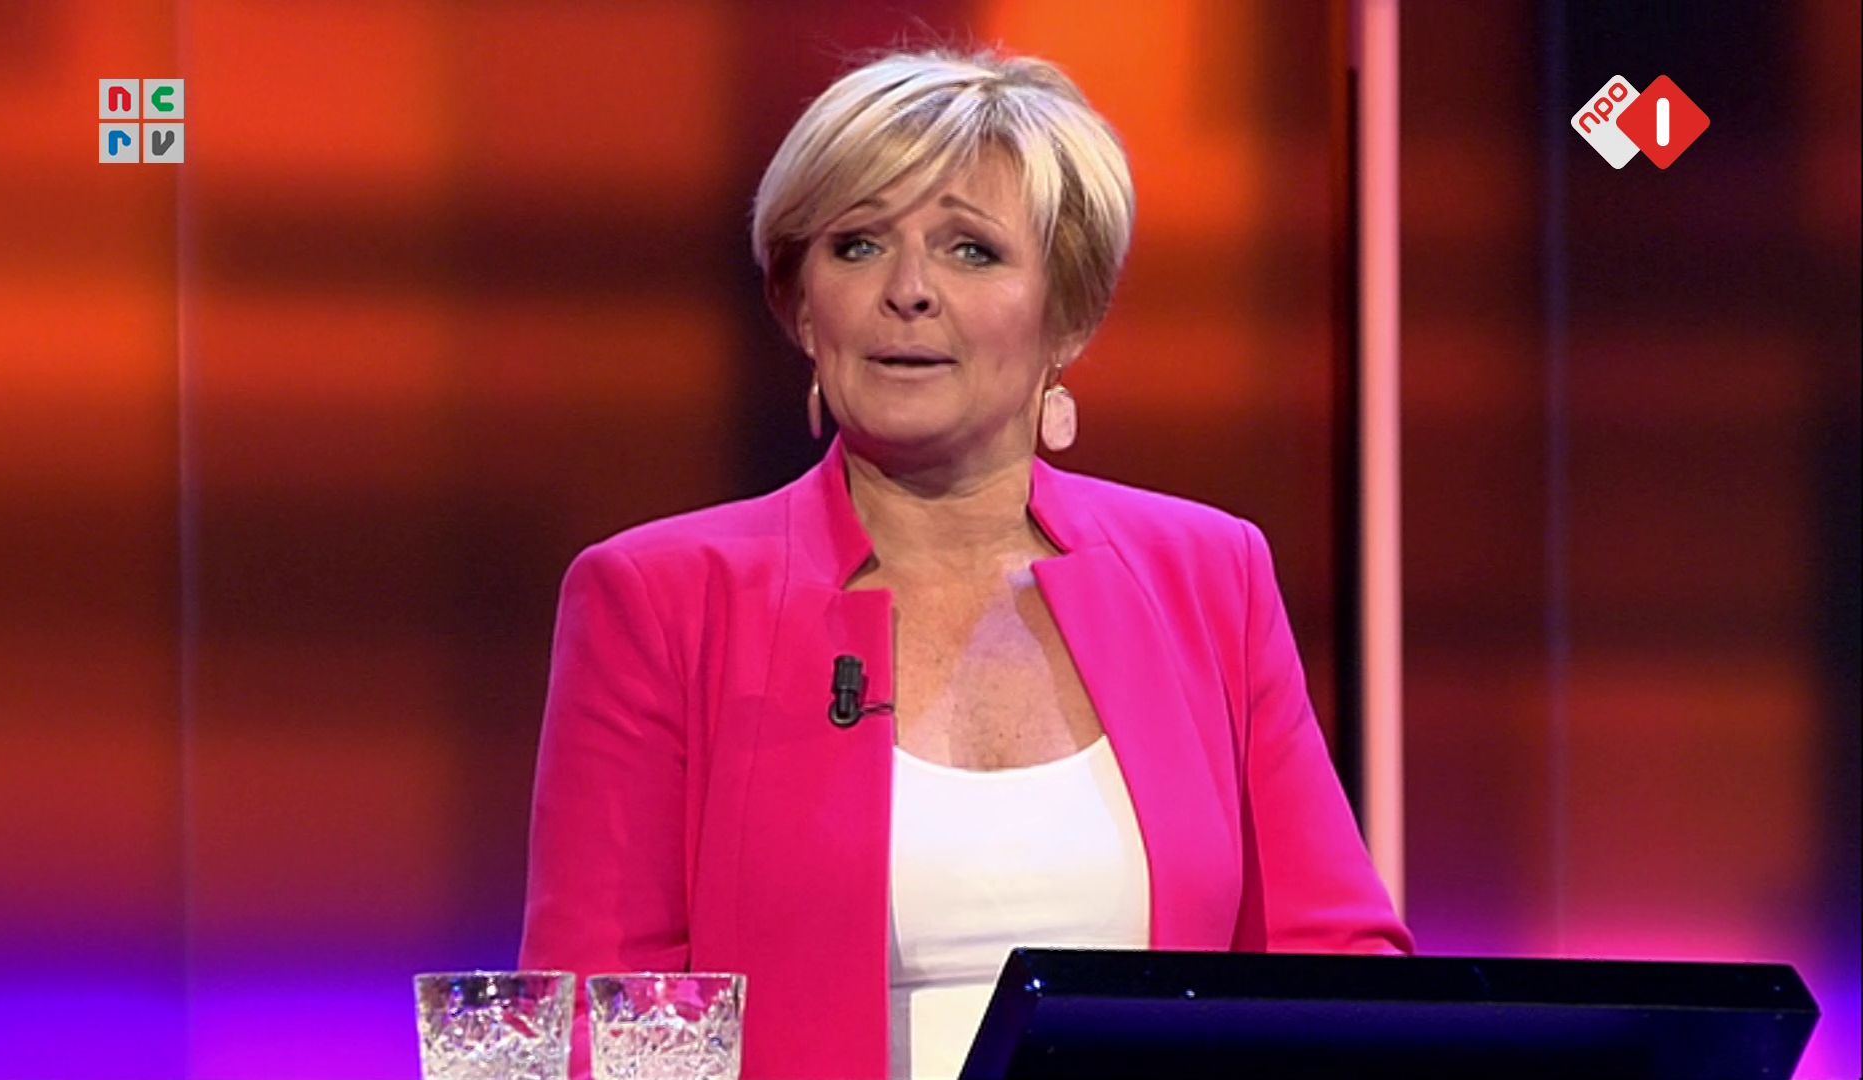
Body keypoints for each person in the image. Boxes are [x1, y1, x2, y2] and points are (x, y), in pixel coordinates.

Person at [521, 47, 1412, 1080]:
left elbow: (1339, 977)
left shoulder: (1209, 575)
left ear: (1067, 314)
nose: (907, 291)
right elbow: (589, 1025)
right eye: (857, 245)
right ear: (801, 305)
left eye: (971, 250)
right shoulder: (657, 599)